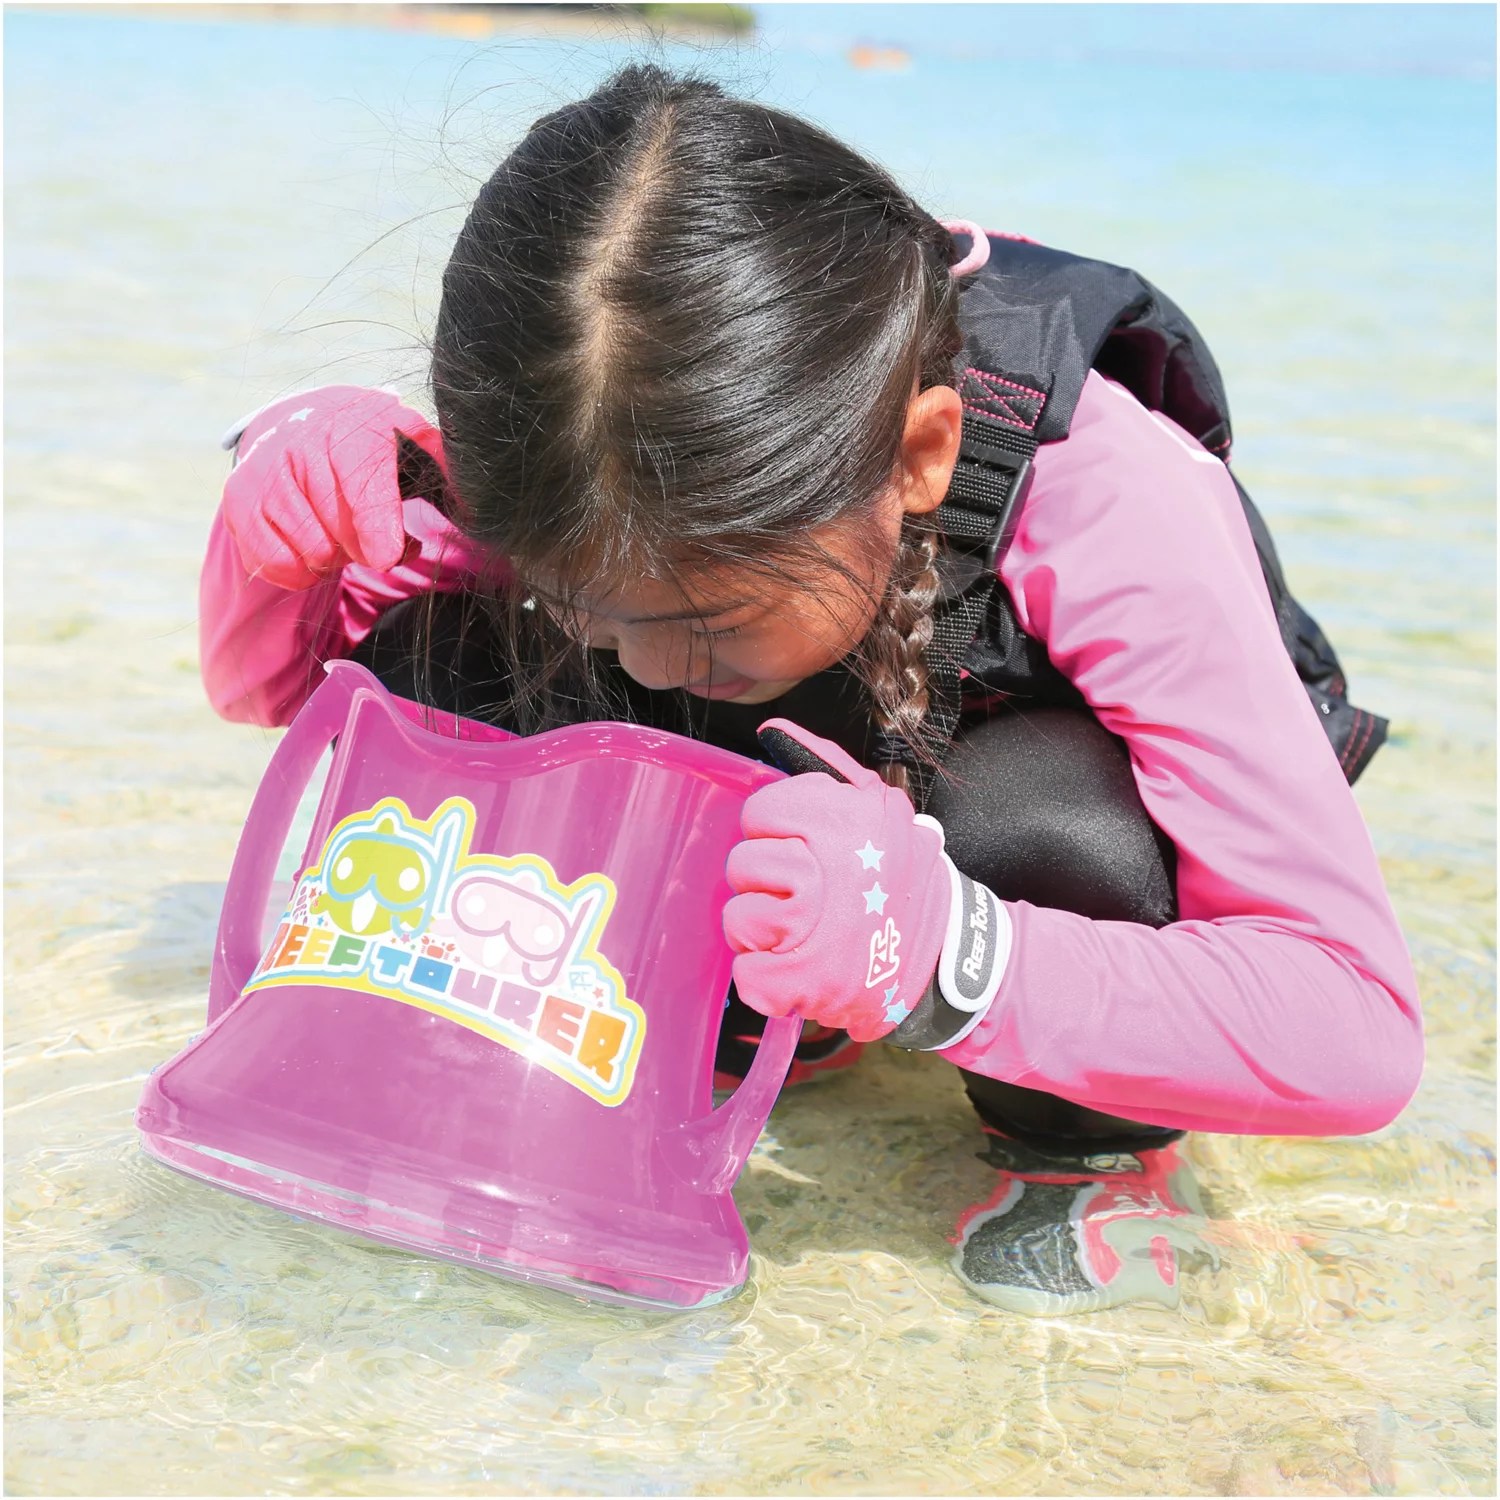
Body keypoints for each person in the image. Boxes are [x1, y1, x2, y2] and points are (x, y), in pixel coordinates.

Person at [198, 65, 1422, 1315]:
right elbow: (291, 696)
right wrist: (272, 532)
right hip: (815, 832)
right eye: (594, 612)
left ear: (922, 456)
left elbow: (1358, 1026)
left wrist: (945, 952)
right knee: (442, 657)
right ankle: (725, 1026)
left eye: (704, 622)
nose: (646, 667)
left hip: (983, 845)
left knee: (1052, 820)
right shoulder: (578, 427)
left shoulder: (1114, 500)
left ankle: (1080, 1149)